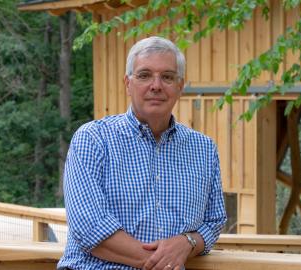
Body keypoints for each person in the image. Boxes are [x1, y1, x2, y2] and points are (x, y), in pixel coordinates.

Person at [58, 36, 227, 270]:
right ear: (128, 83)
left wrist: (188, 242)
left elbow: (214, 221)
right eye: (144, 75)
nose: (156, 85)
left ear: (180, 86)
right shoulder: (93, 139)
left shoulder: (204, 149)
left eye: (167, 77)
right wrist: (164, 263)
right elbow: (89, 228)